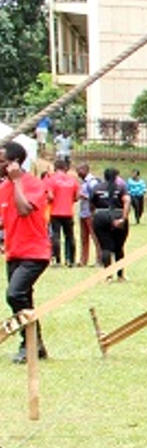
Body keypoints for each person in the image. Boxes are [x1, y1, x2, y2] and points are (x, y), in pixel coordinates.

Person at [2, 141, 51, 363]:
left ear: (14, 164)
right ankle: (35, 345)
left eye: (1, 162)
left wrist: (17, 182)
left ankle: (28, 344)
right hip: (14, 252)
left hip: (35, 253)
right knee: (23, 300)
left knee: (15, 294)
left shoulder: (33, 184)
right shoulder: (3, 188)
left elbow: (23, 209)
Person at [88, 166, 130, 278]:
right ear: (116, 177)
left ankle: (108, 275)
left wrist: (94, 216)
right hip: (117, 214)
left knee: (105, 247)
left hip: (100, 216)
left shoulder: (97, 187)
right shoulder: (121, 187)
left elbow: (91, 204)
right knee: (119, 247)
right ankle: (120, 275)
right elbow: (127, 201)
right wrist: (123, 218)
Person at [44, 158, 80, 266]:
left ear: (55, 168)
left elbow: (50, 196)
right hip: (68, 212)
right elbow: (77, 197)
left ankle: (58, 260)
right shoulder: (73, 180)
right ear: (66, 168)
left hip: (55, 212)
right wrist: (69, 200)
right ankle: (71, 260)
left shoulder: (51, 180)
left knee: (56, 236)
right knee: (70, 236)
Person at [75, 162, 97, 267]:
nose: (77, 173)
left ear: (85, 169)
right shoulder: (83, 182)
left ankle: (99, 259)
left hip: (90, 213)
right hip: (83, 212)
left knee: (95, 237)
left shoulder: (92, 182)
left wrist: (84, 196)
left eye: (79, 170)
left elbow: (96, 198)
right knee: (83, 238)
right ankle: (83, 260)